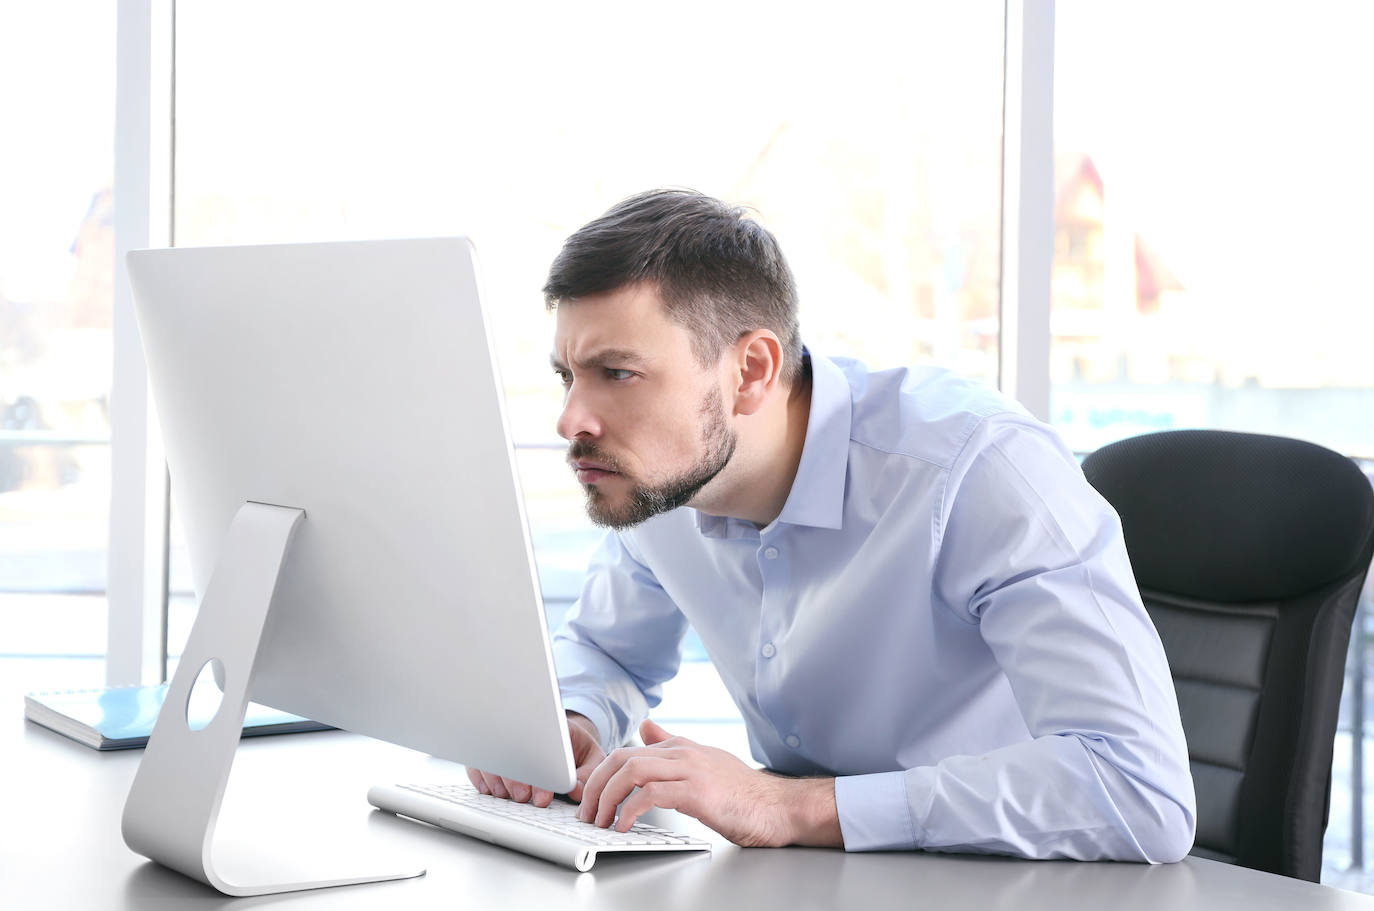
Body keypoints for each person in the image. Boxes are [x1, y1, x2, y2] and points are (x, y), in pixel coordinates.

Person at [467, 189, 1197, 860]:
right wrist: (572, 722)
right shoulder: (665, 484)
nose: (571, 421)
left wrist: (794, 807)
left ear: (751, 370)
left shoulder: (978, 471)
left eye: (617, 374)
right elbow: (610, 652)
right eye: (569, 375)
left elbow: (1138, 789)